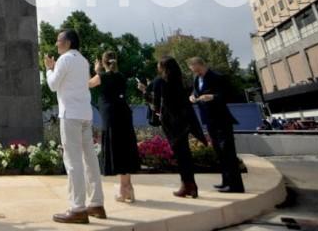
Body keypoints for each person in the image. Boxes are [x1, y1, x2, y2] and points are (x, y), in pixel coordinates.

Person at [44, 29, 106, 224]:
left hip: (70, 115)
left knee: (73, 161)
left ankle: (77, 208)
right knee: (90, 160)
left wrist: (48, 68)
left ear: (68, 42)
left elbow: (53, 85)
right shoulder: (83, 60)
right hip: (86, 114)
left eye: (58, 40)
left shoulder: (65, 59)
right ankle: (96, 203)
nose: (56, 44)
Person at [140, 56, 207, 199]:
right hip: (185, 122)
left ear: (163, 68)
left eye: (159, 66)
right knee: (186, 154)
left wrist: (144, 91)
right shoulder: (181, 81)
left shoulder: (160, 82)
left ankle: (186, 185)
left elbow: (155, 104)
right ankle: (191, 185)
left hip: (171, 124)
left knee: (180, 155)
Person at [88, 50, 140, 203]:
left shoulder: (102, 76)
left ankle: (124, 189)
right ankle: (127, 187)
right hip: (124, 113)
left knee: (117, 148)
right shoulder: (121, 77)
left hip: (111, 116)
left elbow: (88, 84)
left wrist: (96, 70)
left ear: (103, 62)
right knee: (125, 147)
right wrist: (100, 70)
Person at [188, 57, 245, 193]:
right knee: (219, 152)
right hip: (208, 119)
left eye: (192, 67)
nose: (191, 70)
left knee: (227, 151)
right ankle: (226, 181)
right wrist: (192, 97)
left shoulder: (217, 77)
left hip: (221, 119)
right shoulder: (197, 79)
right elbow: (195, 92)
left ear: (198, 65)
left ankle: (236, 185)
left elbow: (228, 94)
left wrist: (212, 97)